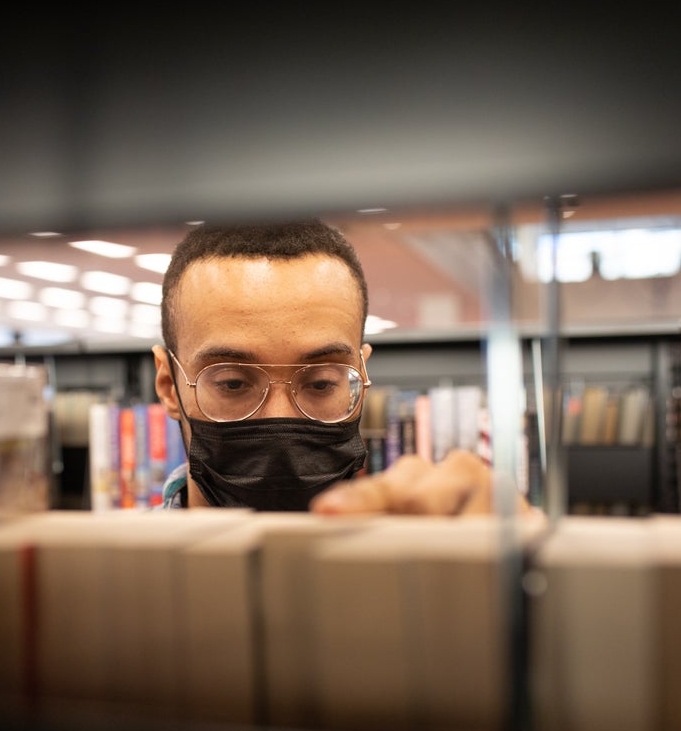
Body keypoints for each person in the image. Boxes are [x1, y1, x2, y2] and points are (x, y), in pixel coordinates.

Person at [151, 218, 531, 515]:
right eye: (233, 383)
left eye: (320, 384)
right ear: (169, 386)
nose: (281, 418)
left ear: (361, 377)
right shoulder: (106, 585)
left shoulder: (414, 574)